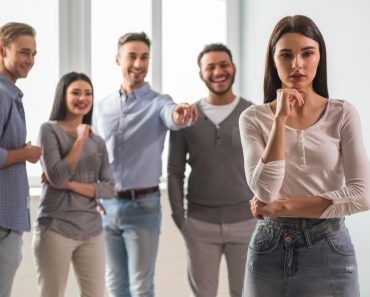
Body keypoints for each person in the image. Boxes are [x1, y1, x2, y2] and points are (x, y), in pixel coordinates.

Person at [239, 15, 370, 297]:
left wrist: (280, 208)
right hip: (269, 249)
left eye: (306, 53)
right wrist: (280, 119)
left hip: (330, 246)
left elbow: (362, 194)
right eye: (286, 55)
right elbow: (264, 189)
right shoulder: (253, 118)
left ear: (319, 57)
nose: (296, 64)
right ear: (273, 60)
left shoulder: (342, 114)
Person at [93, 32, 197, 297]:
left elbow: (173, 116)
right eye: (132, 56)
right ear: (118, 59)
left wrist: (181, 113)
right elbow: (93, 154)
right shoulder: (101, 107)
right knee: (115, 285)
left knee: (141, 286)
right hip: (106, 208)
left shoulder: (159, 102)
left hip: (143, 207)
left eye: (144, 57)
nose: (138, 64)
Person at [167, 43, 255, 297]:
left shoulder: (252, 113)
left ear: (234, 68)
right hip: (199, 225)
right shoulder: (186, 117)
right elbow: (174, 171)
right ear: (201, 74)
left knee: (247, 293)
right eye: (211, 67)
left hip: (246, 223)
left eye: (224, 64)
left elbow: (268, 166)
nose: (218, 71)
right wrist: (179, 218)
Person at [32, 72, 115, 297]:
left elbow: (109, 189)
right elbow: (57, 178)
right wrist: (79, 140)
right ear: (63, 96)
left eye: (88, 93)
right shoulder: (49, 130)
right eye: (76, 92)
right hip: (56, 228)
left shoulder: (97, 142)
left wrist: (69, 185)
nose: (83, 98)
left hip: (91, 230)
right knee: (52, 294)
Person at [0, 22, 41, 297]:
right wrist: (24, 154)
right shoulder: (1, 94)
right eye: (24, 52)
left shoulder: (10, 95)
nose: (30, 60)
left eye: (34, 54)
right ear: (2, 50)